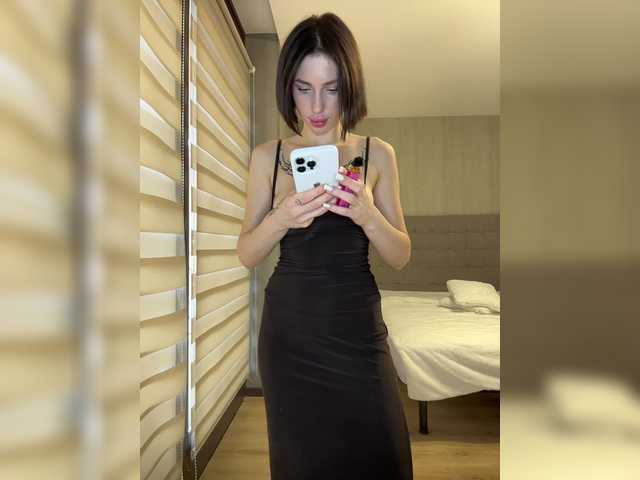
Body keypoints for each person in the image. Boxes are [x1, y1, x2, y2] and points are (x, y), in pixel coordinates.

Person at [237, 12, 413, 480]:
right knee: (303, 463)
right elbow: (247, 252)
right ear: (288, 88)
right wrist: (281, 218)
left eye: (331, 89)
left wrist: (367, 215)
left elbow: (400, 255)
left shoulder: (377, 154)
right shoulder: (268, 157)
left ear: (349, 87)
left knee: (385, 459)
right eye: (304, 88)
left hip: (358, 331)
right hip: (290, 336)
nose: (317, 106)